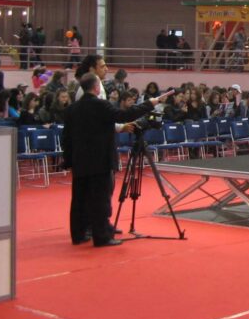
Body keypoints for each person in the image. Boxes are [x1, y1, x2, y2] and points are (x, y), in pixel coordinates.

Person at [62, 73, 172, 247]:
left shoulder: (72, 109)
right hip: (100, 159)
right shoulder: (100, 105)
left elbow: (66, 136)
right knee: (100, 199)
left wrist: (68, 159)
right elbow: (124, 115)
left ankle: (78, 234)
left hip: (79, 159)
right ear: (96, 88)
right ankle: (102, 237)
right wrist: (150, 103)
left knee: (79, 199)